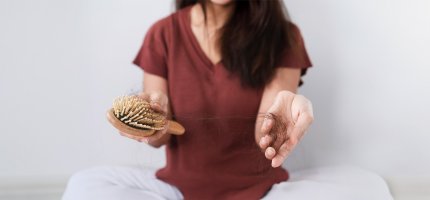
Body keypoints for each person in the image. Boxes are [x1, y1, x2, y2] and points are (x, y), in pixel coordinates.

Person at [63, 0, 393, 200]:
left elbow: (266, 128)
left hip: (262, 193)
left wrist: (286, 113)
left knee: (370, 188)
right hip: (175, 191)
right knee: (83, 186)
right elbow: (160, 134)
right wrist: (153, 123)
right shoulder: (162, 33)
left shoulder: (283, 34)